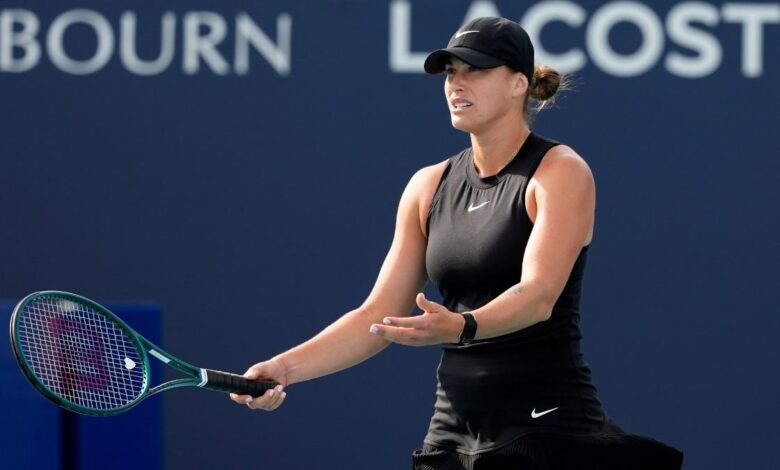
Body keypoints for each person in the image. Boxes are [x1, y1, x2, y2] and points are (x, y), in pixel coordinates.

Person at [230, 16, 684, 470]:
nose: (456, 84)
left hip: (546, 425)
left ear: (518, 84)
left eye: (476, 70)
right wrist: (284, 369)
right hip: (452, 431)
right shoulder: (427, 186)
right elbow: (377, 315)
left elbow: (538, 296)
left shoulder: (560, 171)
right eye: (450, 72)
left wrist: (462, 326)